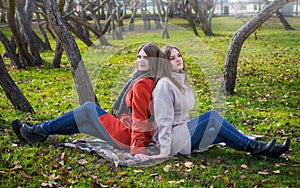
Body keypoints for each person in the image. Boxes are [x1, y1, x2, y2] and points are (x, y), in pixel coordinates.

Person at [11, 42, 167, 158]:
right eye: (139, 56)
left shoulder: (142, 84)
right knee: (84, 124)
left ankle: (39, 130)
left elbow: (141, 117)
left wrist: (137, 147)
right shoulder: (143, 79)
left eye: (146, 58)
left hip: (127, 136)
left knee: (89, 109)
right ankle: (35, 132)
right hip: (127, 130)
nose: (140, 60)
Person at [149, 45, 290, 160]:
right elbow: (163, 121)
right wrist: (165, 150)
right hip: (174, 138)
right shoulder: (164, 85)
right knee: (212, 116)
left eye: (179, 55)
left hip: (184, 132)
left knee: (220, 133)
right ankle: (257, 148)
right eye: (172, 58)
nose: (178, 59)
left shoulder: (181, 80)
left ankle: (268, 150)